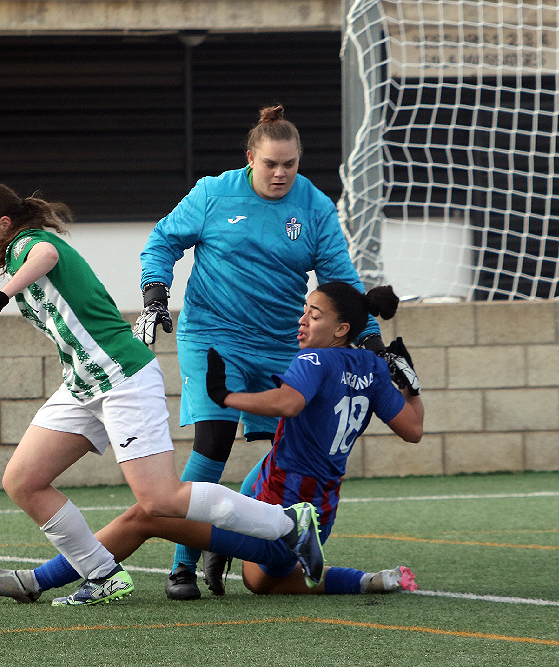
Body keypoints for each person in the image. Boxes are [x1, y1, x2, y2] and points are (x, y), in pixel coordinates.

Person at [0, 175, 324, 607]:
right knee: (22, 481)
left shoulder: (26, 245)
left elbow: (46, 253)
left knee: (161, 499)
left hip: (122, 377)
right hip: (83, 383)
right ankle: (102, 575)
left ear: (4, 224)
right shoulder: (18, 256)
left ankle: (288, 523)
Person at [0, 281, 424, 602]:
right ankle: (368, 580)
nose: (302, 320)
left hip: (284, 503)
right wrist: (412, 386)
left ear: (342, 329)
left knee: (147, 513)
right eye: (305, 310)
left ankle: (39, 580)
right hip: (323, 510)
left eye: (315, 314)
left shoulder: (315, 360)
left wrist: (227, 397)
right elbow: (413, 429)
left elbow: (289, 403)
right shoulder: (374, 369)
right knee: (259, 581)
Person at [132, 104, 419, 600]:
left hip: (280, 340)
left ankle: (229, 538)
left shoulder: (315, 207)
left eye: (290, 163)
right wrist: (155, 295)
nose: (280, 173)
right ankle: (182, 566)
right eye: (270, 163)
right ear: (250, 158)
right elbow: (162, 241)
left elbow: (342, 282)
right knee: (213, 442)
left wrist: (373, 343)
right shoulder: (213, 193)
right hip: (214, 335)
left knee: (282, 451)